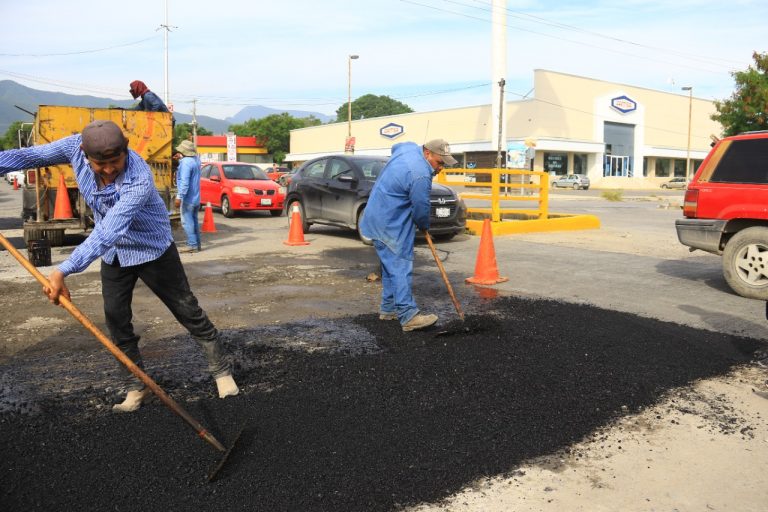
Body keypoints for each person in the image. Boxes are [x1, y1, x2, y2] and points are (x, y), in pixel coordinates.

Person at [0, 120, 239, 412]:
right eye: (101, 164)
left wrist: (63, 269)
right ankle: (136, 387)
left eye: (116, 161)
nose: (110, 169)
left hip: (153, 250)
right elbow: (27, 157)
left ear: (126, 151)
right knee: (116, 320)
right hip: (114, 255)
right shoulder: (73, 147)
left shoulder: (139, 178)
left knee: (187, 310)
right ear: (85, 156)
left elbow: (109, 229)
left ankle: (221, 371)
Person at [360, 139, 458, 332]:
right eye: (440, 163)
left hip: (376, 217)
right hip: (389, 223)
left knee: (389, 267)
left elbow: (398, 145)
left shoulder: (408, 150)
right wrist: (424, 225)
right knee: (400, 266)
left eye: (444, 164)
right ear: (428, 153)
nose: (441, 168)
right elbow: (421, 208)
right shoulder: (420, 174)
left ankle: (388, 309)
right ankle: (408, 315)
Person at [174, 140, 202, 253]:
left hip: (188, 198)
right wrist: (180, 160)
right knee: (194, 221)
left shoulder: (185, 163)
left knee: (187, 222)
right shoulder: (196, 160)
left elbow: (185, 182)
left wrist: (179, 197)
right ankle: (197, 244)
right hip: (196, 198)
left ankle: (192, 245)